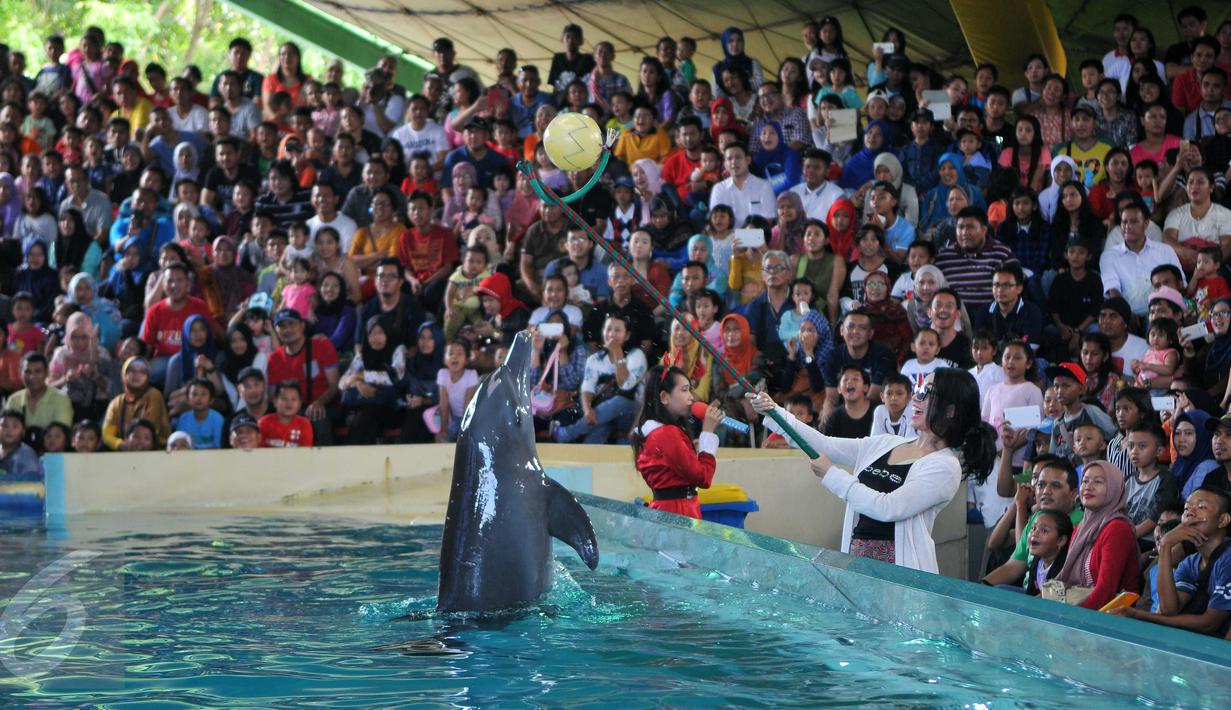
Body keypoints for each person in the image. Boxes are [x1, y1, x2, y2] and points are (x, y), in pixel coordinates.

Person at [750, 369, 997, 572]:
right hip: (858, 563)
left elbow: (888, 508)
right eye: (918, 389)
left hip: (901, 576)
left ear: (950, 410)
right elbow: (825, 444)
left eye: (926, 392)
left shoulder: (945, 467)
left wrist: (832, 475)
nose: (916, 398)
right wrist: (775, 412)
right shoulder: (887, 442)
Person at [632, 365, 724, 518]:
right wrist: (708, 432)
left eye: (690, 390)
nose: (691, 397)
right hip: (679, 513)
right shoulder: (667, 434)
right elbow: (703, 478)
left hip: (664, 511)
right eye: (684, 390)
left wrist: (689, 449)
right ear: (664, 397)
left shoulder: (654, 433)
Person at [1054, 460, 1141, 609]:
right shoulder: (1081, 527)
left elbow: (1106, 593)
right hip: (1081, 607)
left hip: (1109, 615)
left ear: (1114, 489)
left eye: (1098, 482)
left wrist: (1068, 614)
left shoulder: (1117, 529)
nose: (1088, 487)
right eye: (1085, 481)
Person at [551, 314, 647, 445]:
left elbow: (625, 385)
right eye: (608, 329)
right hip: (603, 413)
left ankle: (568, 433)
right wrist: (587, 409)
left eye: (617, 330)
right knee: (599, 428)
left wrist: (617, 353)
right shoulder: (595, 359)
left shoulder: (636, 356)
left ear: (627, 335)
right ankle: (586, 456)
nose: (611, 334)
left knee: (619, 401)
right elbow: (587, 387)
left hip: (632, 414)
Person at [101, 357, 170, 451]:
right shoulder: (117, 402)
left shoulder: (154, 395)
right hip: (125, 452)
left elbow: (151, 431)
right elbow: (107, 434)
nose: (136, 375)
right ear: (124, 374)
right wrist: (120, 444)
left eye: (142, 372)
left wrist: (135, 443)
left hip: (155, 451)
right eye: (132, 371)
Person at [259, 380, 313, 448]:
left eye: (293, 399)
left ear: (299, 404)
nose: (289, 403)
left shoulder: (304, 424)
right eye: (284, 399)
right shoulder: (264, 422)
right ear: (275, 402)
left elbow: (306, 452)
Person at [0, 410, 43, 482]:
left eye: (15, 426)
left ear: (23, 432)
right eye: (5, 425)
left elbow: (31, 482)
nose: (9, 430)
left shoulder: (27, 454)